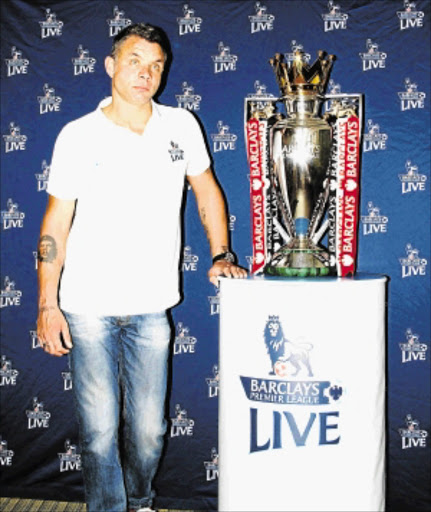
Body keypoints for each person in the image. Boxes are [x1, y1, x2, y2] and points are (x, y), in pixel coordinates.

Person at [36, 22, 246, 512]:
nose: (146, 73)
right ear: (110, 66)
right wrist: (48, 304)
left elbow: (207, 189)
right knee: (99, 430)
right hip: (87, 307)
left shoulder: (181, 125)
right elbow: (55, 220)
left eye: (156, 65)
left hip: (153, 307)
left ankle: (140, 501)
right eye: (134, 61)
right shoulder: (78, 135)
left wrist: (220, 254)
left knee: (150, 431)